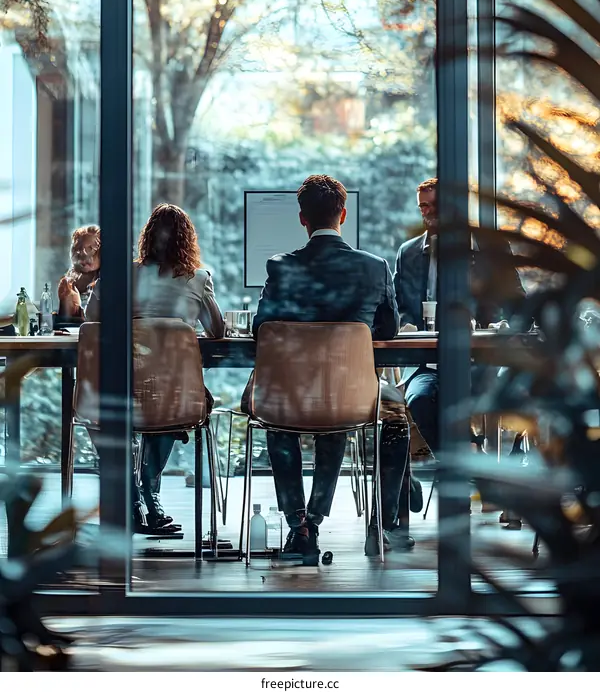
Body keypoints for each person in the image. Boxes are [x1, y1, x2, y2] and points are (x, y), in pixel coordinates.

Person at [251, 173, 412, 564]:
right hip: (349, 396)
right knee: (392, 421)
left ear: (302, 219)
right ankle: (381, 526)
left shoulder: (280, 267)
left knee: (279, 420)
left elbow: (261, 330)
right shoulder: (375, 267)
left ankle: (299, 525)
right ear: (343, 213)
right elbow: (388, 330)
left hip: (290, 397)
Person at [88, 204, 224, 535]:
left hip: (121, 390)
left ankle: (132, 500)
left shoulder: (118, 275)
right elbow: (217, 332)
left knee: (138, 402)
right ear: (186, 240)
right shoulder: (199, 278)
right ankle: (150, 493)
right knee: (174, 401)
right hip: (173, 395)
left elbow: (91, 322)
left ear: (146, 238)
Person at [393, 176, 525, 458]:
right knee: (420, 399)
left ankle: (479, 461)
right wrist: (404, 323)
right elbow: (398, 304)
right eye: (422, 207)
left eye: (434, 205)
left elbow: (518, 300)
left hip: (482, 360)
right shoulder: (409, 253)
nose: (427, 212)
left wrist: (504, 325)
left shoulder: (491, 249)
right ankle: (469, 457)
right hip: (428, 362)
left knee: (502, 394)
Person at [58, 225, 101, 318]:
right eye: (78, 250)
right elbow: (65, 322)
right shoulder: (70, 284)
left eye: (91, 248)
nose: (83, 255)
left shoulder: (108, 280)